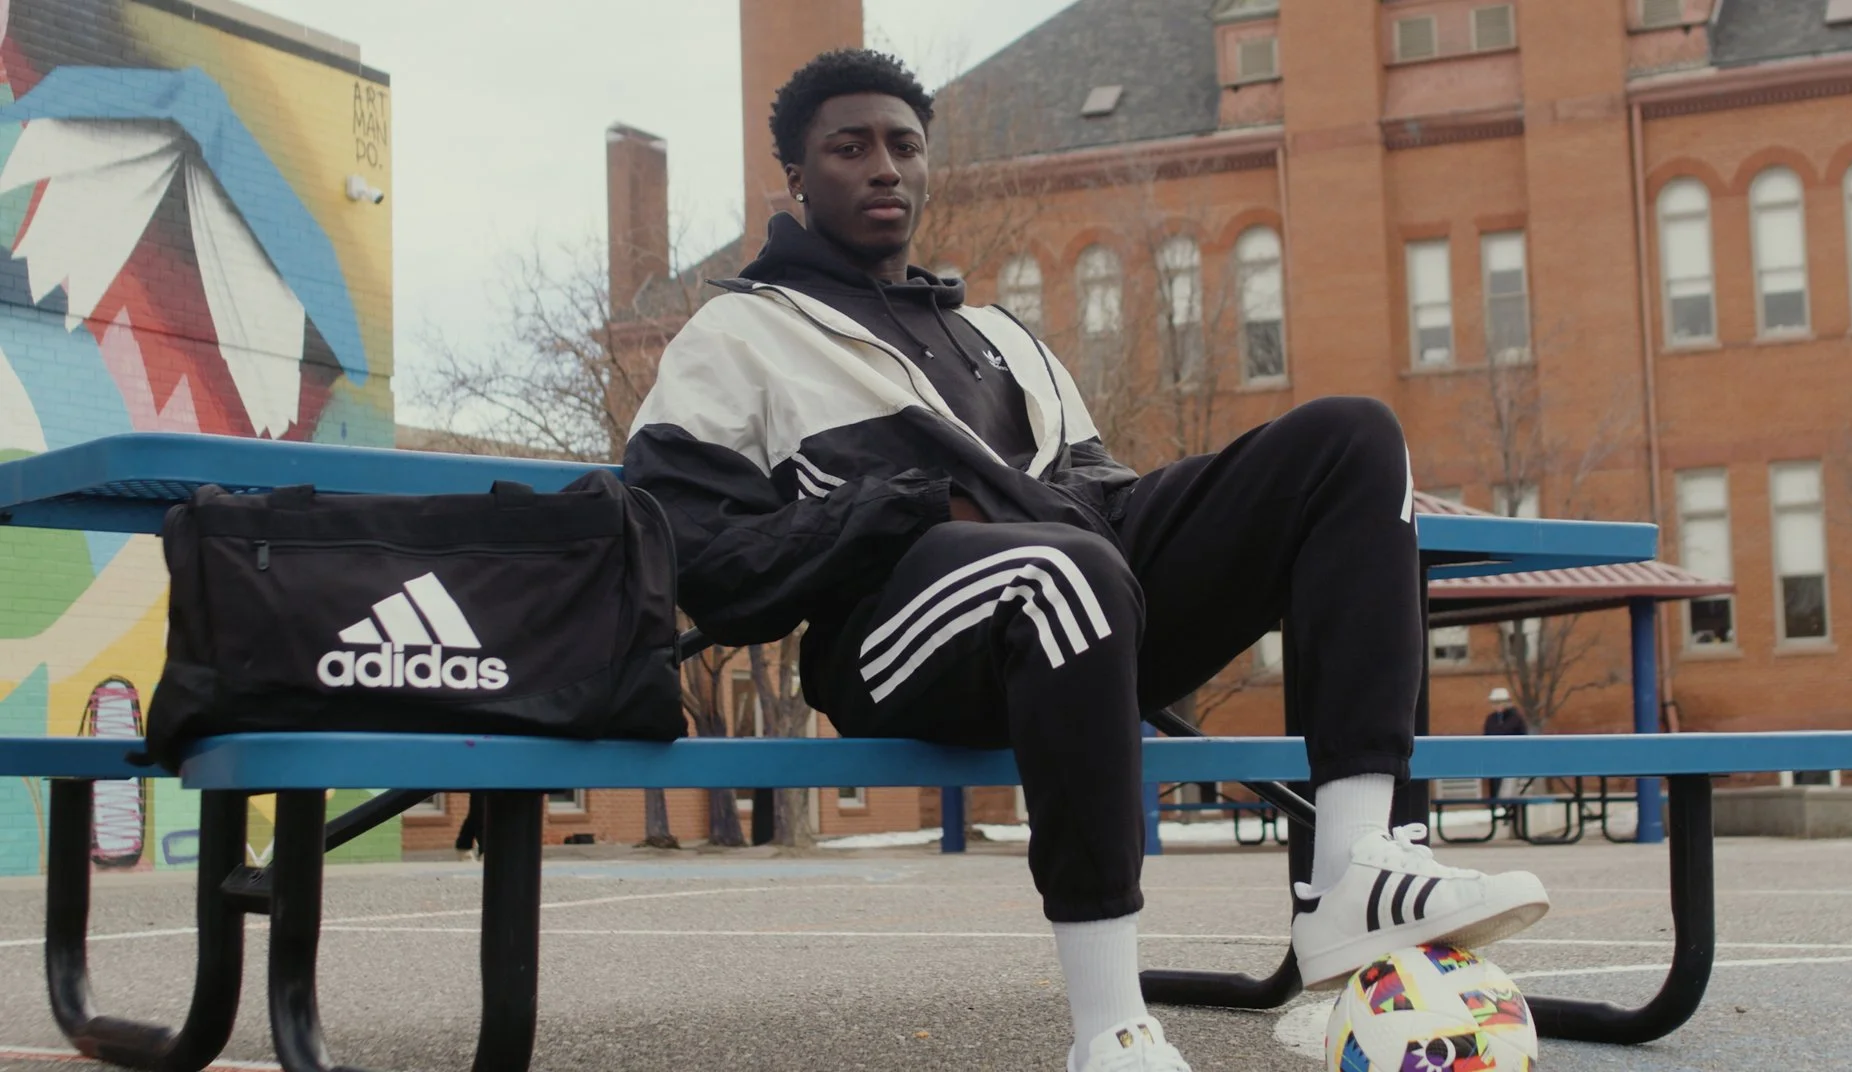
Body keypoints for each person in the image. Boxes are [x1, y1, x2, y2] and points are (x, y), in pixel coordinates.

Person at [625, 49, 1550, 1072]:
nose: (884, 166)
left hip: (1082, 602)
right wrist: (910, 501)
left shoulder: (992, 336)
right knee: (1065, 569)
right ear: (795, 179)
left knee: (1354, 442)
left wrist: (1208, 507)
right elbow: (696, 556)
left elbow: (1097, 493)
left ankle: (1355, 876)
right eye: (849, 147)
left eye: (904, 145)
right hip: (894, 641)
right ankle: (1110, 1029)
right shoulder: (740, 336)